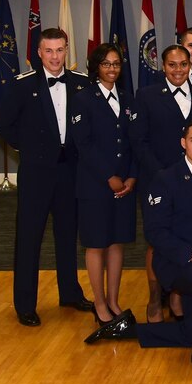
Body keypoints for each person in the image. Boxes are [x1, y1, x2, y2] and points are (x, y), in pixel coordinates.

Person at [86, 119, 192, 377]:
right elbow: (156, 232)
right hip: (172, 261)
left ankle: (130, 331)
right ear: (183, 143)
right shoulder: (166, 179)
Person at [0, 27, 92, 326]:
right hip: (37, 173)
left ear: (67, 51)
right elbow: (2, 123)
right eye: (48, 51)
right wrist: (30, 148)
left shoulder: (81, 84)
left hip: (70, 172)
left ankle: (70, 293)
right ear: (39, 52)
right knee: (29, 238)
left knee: (67, 235)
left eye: (59, 50)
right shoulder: (22, 85)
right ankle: (25, 303)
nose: (54, 56)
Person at [130, 44, 192, 323]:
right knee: (157, 241)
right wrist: (164, 175)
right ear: (163, 67)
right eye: (172, 65)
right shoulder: (147, 96)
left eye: (183, 64)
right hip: (158, 182)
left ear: (190, 65)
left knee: (187, 237)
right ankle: (154, 299)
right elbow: (139, 142)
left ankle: (176, 296)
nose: (178, 70)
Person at [71, 44, 137, 325]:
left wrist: (132, 175)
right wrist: (108, 176)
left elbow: (135, 139)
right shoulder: (83, 98)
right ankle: (99, 303)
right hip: (96, 184)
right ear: (96, 66)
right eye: (106, 64)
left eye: (117, 64)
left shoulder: (127, 97)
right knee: (97, 243)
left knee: (117, 242)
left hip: (124, 184)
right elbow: (83, 144)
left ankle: (113, 299)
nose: (112, 69)